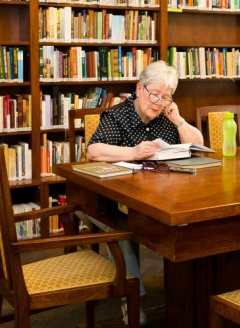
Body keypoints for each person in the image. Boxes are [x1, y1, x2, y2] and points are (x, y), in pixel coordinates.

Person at [86, 60, 204, 325]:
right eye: (154, 94)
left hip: (159, 197)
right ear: (139, 88)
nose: (158, 102)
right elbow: (93, 151)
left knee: (188, 224)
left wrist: (178, 119)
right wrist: (133, 152)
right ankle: (132, 299)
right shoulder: (117, 115)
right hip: (113, 201)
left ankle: (190, 296)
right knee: (124, 230)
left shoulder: (166, 117)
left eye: (165, 97)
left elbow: (198, 145)